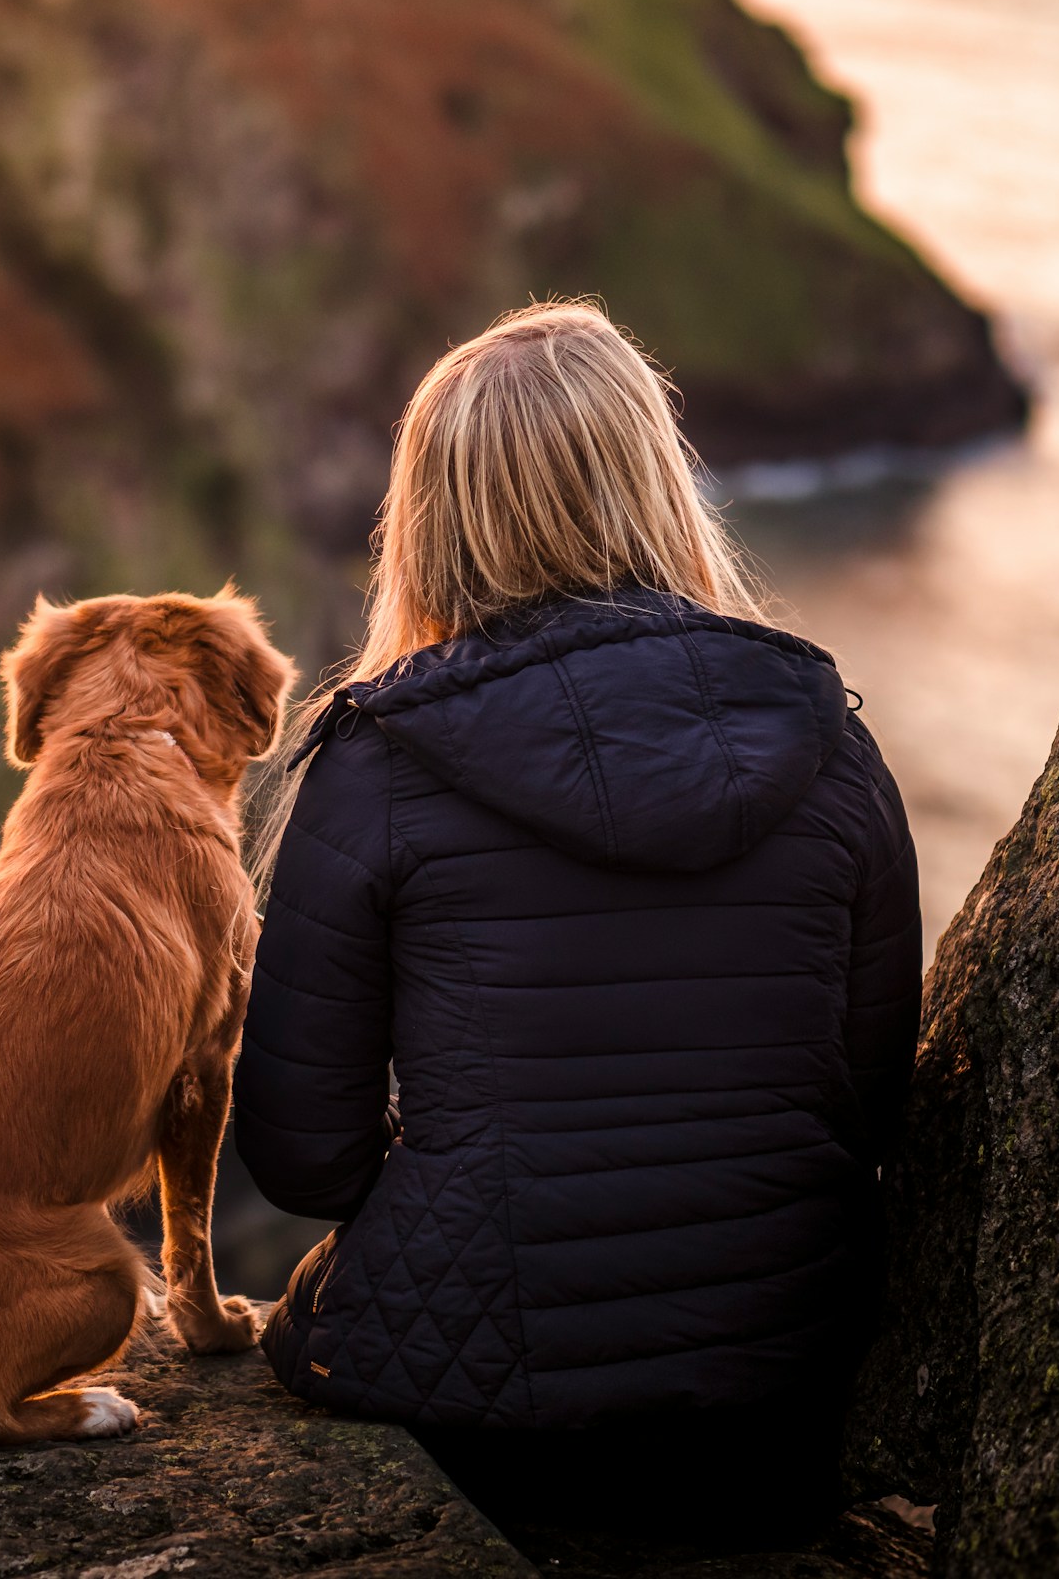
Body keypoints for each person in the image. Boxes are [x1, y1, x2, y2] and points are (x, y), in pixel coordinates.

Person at [234, 300, 920, 1547]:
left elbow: (302, 1161)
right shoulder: (832, 745)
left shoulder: (377, 765)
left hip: (496, 1436)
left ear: (432, 518)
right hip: (776, 1405)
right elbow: (866, 1107)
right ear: (660, 482)